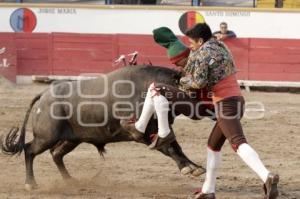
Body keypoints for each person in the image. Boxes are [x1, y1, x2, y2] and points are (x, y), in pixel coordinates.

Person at [182, 23, 279, 199]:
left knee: (237, 142)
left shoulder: (203, 52)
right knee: (213, 145)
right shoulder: (221, 45)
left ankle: (267, 176)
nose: (190, 45)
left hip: (225, 103)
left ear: (201, 40)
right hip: (236, 100)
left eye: (192, 42)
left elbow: (199, 83)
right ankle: (208, 190)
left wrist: (183, 82)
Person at [120, 26, 215, 150]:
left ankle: (158, 131)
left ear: (185, 58)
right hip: (202, 106)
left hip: (199, 107)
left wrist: (180, 83)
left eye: (177, 62)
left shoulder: (195, 66)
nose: (175, 65)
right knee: (157, 91)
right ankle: (144, 127)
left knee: (156, 89)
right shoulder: (194, 63)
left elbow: (197, 85)